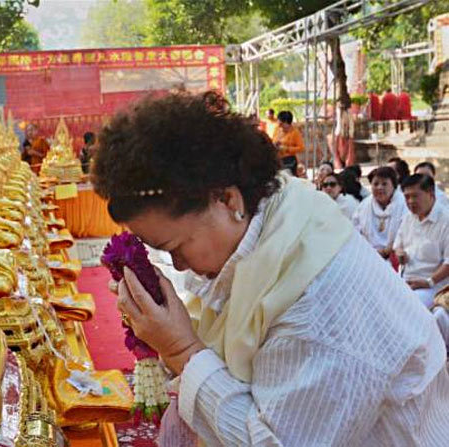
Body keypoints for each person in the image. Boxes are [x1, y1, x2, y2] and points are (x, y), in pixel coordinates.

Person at [92, 92, 449, 446]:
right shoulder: (282, 210)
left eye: (176, 247)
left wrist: (182, 349)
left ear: (227, 199)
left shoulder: (314, 308)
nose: (179, 265)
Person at [394, 174, 449, 309]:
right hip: (405, 280)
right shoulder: (408, 218)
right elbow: (397, 245)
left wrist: (429, 282)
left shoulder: (445, 221)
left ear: (431, 194)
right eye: (407, 197)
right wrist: (400, 253)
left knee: (407, 306)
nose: (411, 201)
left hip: (434, 286)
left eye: (415, 196)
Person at [352, 166, 407, 260]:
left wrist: (387, 251)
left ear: (394, 186)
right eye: (376, 184)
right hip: (368, 256)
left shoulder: (404, 204)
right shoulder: (364, 206)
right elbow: (355, 232)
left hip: (396, 256)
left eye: (384, 184)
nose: (379, 187)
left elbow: (407, 233)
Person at [272, 111, 304, 176]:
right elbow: (273, 140)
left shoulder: (295, 133)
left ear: (287, 122)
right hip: (278, 159)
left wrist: (287, 149)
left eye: (281, 124)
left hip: (289, 160)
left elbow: (301, 148)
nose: (280, 126)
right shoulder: (277, 130)